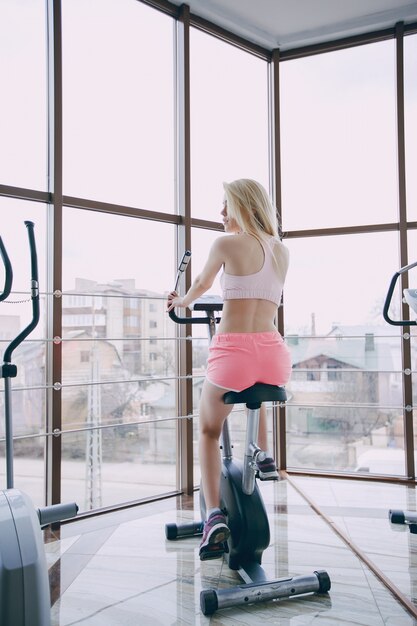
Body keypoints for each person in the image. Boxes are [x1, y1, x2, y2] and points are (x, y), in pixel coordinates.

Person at [167, 178, 292, 560]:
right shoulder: (282, 251)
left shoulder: (225, 244)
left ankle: (214, 518)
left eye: (226, 205)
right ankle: (263, 453)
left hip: (233, 350)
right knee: (258, 390)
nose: (221, 213)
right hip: (274, 354)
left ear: (243, 206)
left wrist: (181, 302)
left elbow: (204, 283)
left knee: (207, 429)